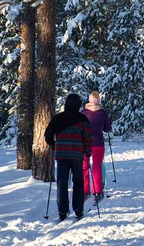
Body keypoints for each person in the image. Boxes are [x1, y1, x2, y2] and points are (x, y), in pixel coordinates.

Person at [44, 93, 93, 221]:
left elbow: (47, 134)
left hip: (61, 155)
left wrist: (54, 145)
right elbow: (88, 137)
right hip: (77, 155)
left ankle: (62, 211)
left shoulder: (57, 118)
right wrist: (87, 151)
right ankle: (78, 208)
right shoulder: (83, 119)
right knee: (78, 181)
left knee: (62, 182)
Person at [82, 91, 112, 202]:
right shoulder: (103, 113)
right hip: (98, 143)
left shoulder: (83, 112)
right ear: (98, 100)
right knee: (97, 166)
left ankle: (85, 191)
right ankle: (97, 191)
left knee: (84, 166)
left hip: (85, 142)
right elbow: (107, 129)